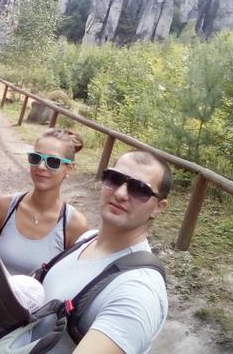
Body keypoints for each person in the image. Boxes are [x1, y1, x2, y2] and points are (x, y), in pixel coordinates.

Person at [0, 128, 89, 354]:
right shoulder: (5, 207)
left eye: (53, 162)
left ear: (69, 168)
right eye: (36, 158)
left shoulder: (73, 225)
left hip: (27, 336)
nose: (42, 167)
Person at [34, 150, 171, 354]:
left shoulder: (138, 293)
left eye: (139, 189)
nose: (121, 193)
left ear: (159, 207)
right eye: (115, 178)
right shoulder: (87, 239)